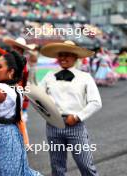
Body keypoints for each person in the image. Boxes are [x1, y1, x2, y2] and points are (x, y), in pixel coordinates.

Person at [40, 40, 102, 176]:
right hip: (53, 125)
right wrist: (47, 114)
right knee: (57, 167)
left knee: (86, 165)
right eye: (61, 54)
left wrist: (77, 117)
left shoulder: (85, 77)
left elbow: (96, 102)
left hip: (76, 126)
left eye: (67, 54)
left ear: (75, 57)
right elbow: (39, 99)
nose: (63, 58)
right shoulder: (49, 76)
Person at [0, 50, 42, 176]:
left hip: (3, 136)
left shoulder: (5, 90)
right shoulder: (9, 87)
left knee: (3, 172)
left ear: (11, 72)